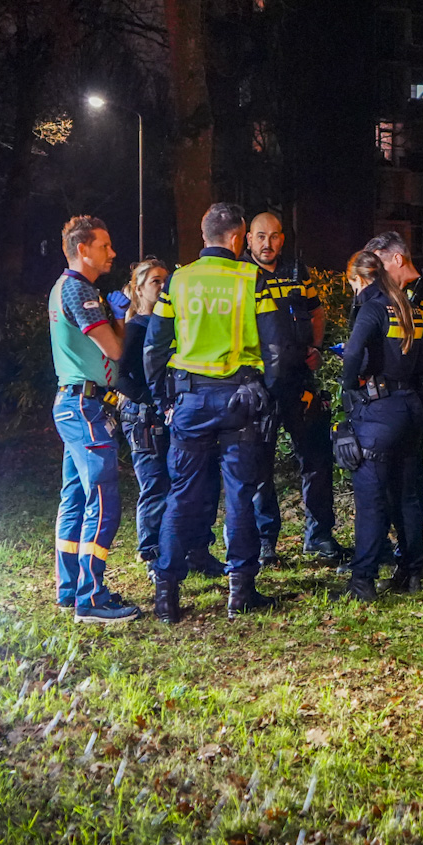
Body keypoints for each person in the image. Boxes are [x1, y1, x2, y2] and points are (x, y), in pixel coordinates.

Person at [143, 202, 293, 622]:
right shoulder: (251, 279)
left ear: (204, 233)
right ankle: (240, 591)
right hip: (239, 402)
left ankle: (166, 594)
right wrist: (270, 393)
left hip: (189, 401)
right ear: (237, 237)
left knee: (182, 494)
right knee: (240, 494)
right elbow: (276, 346)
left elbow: (154, 346)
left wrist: (162, 400)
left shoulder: (179, 280)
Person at [47, 216, 138, 626]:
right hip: (84, 406)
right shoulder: (78, 289)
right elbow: (115, 351)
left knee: (75, 497)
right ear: (82, 249)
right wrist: (123, 318)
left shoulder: (64, 287)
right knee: (103, 501)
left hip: (74, 403)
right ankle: (91, 598)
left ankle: (70, 589)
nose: (112, 253)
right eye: (104, 246)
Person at [115, 257, 228, 576]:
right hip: (145, 416)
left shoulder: (174, 325)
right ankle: (153, 554)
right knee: (156, 484)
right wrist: (152, 400)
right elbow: (120, 376)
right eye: (156, 281)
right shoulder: (136, 328)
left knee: (196, 482)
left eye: (167, 280)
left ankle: (197, 551)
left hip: (175, 411)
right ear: (138, 289)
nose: (164, 286)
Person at [246, 210, 345, 566]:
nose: (267, 243)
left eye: (274, 236)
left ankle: (319, 537)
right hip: (259, 386)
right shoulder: (241, 274)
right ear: (248, 239)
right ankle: (264, 544)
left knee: (316, 458)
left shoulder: (296, 272)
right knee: (259, 466)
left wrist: (315, 347)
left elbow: (316, 312)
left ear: (282, 239)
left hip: (300, 382)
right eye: (260, 236)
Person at [333, 249, 423, 603]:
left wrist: (349, 385)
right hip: (411, 408)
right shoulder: (407, 307)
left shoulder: (372, 308)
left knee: (371, 498)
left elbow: (353, 354)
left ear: (361, 279)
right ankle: (412, 572)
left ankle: (363, 581)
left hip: (379, 410)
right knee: (408, 495)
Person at [361, 231, 423, 592]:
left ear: (396, 259)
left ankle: (410, 564)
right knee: (397, 487)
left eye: (380, 264)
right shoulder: (388, 296)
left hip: (409, 398)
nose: (377, 274)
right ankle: (404, 562)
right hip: (392, 400)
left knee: (407, 488)